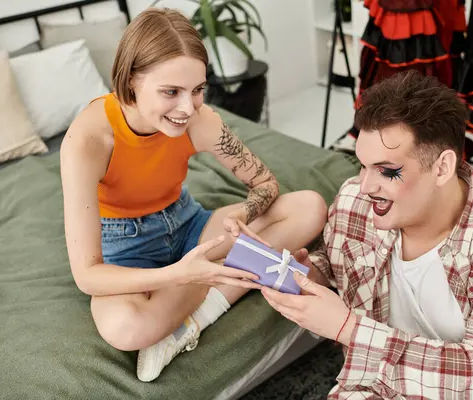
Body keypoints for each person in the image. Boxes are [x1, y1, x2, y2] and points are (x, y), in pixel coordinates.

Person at [262, 71, 473, 399]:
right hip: (384, 379)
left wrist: (348, 329)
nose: (366, 186)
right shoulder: (355, 201)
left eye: (387, 171)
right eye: (362, 165)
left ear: (441, 168)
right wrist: (311, 273)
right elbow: (338, 259)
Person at [60, 7, 327, 383]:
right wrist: (178, 275)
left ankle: (197, 318)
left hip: (188, 222)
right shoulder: (86, 141)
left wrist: (244, 215)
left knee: (310, 206)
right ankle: (241, 271)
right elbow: (87, 276)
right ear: (132, 80)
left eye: (198, 90)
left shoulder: (200, 120)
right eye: (171, 92)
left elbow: (265, 184)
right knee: (125, 328)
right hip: (126, 246)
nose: (188, 108)